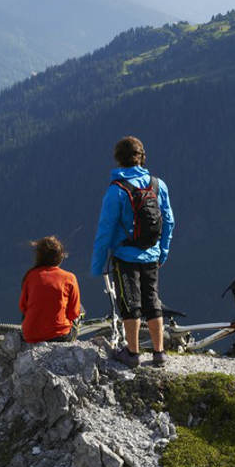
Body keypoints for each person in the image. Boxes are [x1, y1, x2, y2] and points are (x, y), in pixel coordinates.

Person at [90, 136, 175, 367]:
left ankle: (133, 353)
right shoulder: (158, 185)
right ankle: (159, 353)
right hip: (152, 253)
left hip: (125, 256)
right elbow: (168, 221)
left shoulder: (116, 190)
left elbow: (104, 231)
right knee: (152, 300)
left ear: (119, 159)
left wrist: (97, 265)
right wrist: (163, 251)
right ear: (142, 157)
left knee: (130, 304)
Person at [20, 235, 83, 343]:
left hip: (31, 336)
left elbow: (23, 307)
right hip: (59, 336)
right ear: (60, 257)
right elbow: (74, 313)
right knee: (80, 309)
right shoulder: (69, 278)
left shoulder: (30, 276)